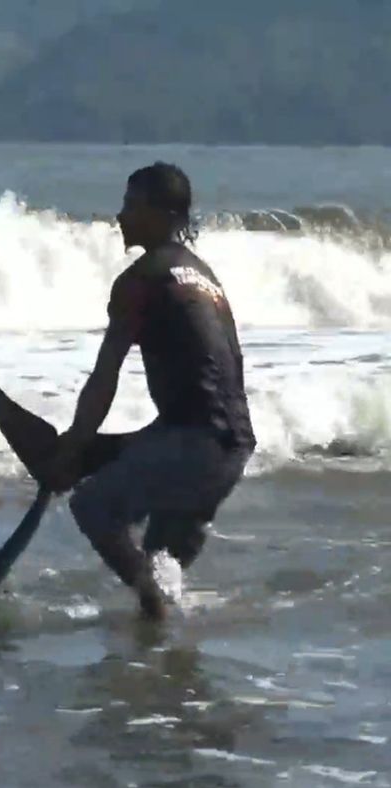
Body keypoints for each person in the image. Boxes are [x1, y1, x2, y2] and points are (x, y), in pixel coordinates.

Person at [45, 162, 255, 620]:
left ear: (161, 214)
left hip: (195, 442)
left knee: (92, 506)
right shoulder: (204, 278)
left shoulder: (141, 280)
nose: (120, 216)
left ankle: (154, 610)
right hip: (233, 447)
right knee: (161, 560)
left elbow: (106, 376)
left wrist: (73, 447)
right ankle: (163, 658)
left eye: (130, 205)